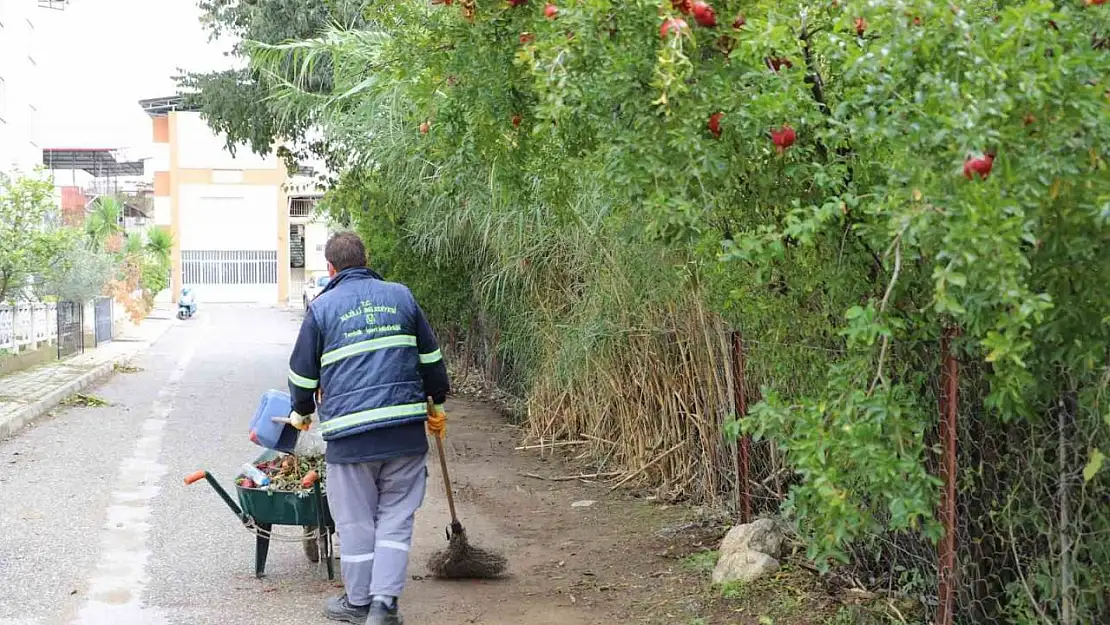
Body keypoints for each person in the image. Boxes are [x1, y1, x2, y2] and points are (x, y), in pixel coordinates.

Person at [286, 231, 449, 625]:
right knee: (396, 517)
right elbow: (431, 359)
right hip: (403, 431)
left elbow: (303, 376)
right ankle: (384, 605)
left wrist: (301, 411)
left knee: (356, 521)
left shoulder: (322, 308)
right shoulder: (401, 296)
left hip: (350, 438)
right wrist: (437, 404)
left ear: (330, 268)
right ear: (366, 258)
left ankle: (358, 603)